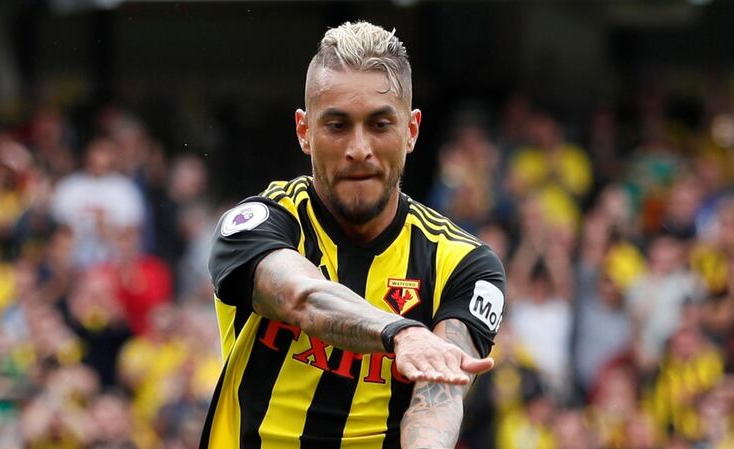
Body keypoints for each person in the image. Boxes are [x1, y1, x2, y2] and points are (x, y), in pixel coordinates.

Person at [200, 21, 506, 449]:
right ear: (304, 131)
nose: (359, 148)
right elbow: (301, 296)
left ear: (412, 131)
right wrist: (402, 332)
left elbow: (437, 400)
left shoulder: (463, 263)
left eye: (380, 125)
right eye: (337, 125)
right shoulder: (258, 224)